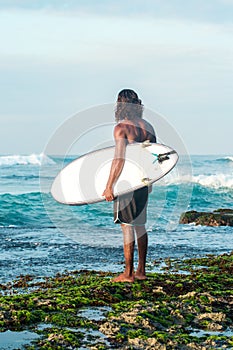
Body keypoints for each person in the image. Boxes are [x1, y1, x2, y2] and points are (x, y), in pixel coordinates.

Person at [102, 89, 156, 282]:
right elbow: (154, 156)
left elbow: (119, 159)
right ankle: (141, 271)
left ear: (120, 105)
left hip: (127, 183)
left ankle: (128, 273)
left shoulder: (121, 128)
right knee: (140, 225)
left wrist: (109, 186)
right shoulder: (147, 126)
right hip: (143, 181)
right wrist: (150, 181)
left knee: (127, 226)